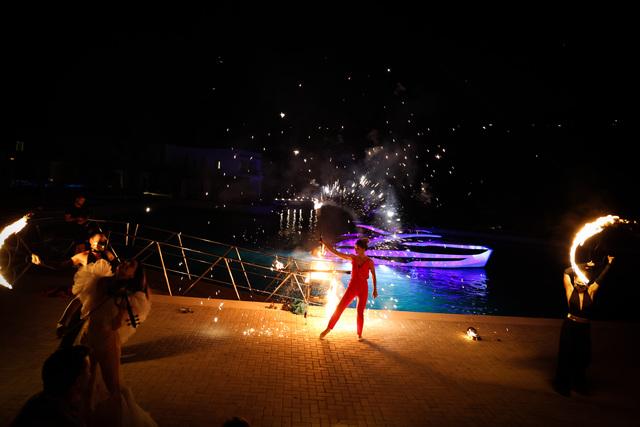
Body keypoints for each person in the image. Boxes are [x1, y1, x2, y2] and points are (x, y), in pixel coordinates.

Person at [73, 258, 156, 426]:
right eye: (125, 262)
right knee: (86, 380)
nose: (125, 264)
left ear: (134, 275)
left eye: (130, 265)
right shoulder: (102, 281)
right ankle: (86, 417)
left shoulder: (131, 295)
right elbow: (83, 304)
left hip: (107, 339)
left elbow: (118, 323)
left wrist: (122, 307)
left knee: (113, 383)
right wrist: (64, 321)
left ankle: (121, 420)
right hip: (88, 335)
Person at [32, 232, 118, 338]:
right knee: (79, 299)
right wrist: (42, 262)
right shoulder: (83, 255)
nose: (102, 244)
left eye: (104, 241)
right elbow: (61, 265)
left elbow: (117, 266)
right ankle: (62, 323)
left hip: (104, 286)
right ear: (91, 241)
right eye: (99, 241)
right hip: (89, 286)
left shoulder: (108, 254)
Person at [553, 255, 614, 396]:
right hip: (569, 327)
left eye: (583, 281)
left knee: (582, 356)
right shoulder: (569, 290)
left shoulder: (591, 291)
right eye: (578, 280)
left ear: (587, 281)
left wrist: (609, 264)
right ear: (575, 280)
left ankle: (579, 384)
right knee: (566, 355)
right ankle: (563, 385)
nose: (580, 284)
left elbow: (601, 278)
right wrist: (584, 264)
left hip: (584, 328)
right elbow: (566, 271)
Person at [11, 345, 92, 427]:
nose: (90, 374)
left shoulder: (39, 401)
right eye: (88, 370)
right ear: (78, 381)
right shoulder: (61, 419)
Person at [319, 237, 378, 340]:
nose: (355, 250)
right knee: (340, 308)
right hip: (352, 287)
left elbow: (373, 275)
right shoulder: (352, 258)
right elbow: (336, 253)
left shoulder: (369, 262)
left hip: (363, 289)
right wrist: (325, 243)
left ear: (363, 249)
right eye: (355, 248)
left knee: (360, 312)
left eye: (357, 248)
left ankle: (359, 334)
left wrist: (375, 289)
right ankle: (328, 329)